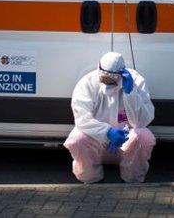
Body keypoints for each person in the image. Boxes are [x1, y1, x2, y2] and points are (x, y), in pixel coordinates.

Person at [63, 51, 156, 183]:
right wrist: (107, 132)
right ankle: (90, 178)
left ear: (121, 75)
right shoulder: (87, 83)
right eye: (103, 79)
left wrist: (131, 94)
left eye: (111, 81)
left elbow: (141, 122)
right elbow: (82, 119)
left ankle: (133, 178)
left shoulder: (136, 82)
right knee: (78, 138)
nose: (106, 84)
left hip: (126, 145)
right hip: (97, 144)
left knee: (143, 136)